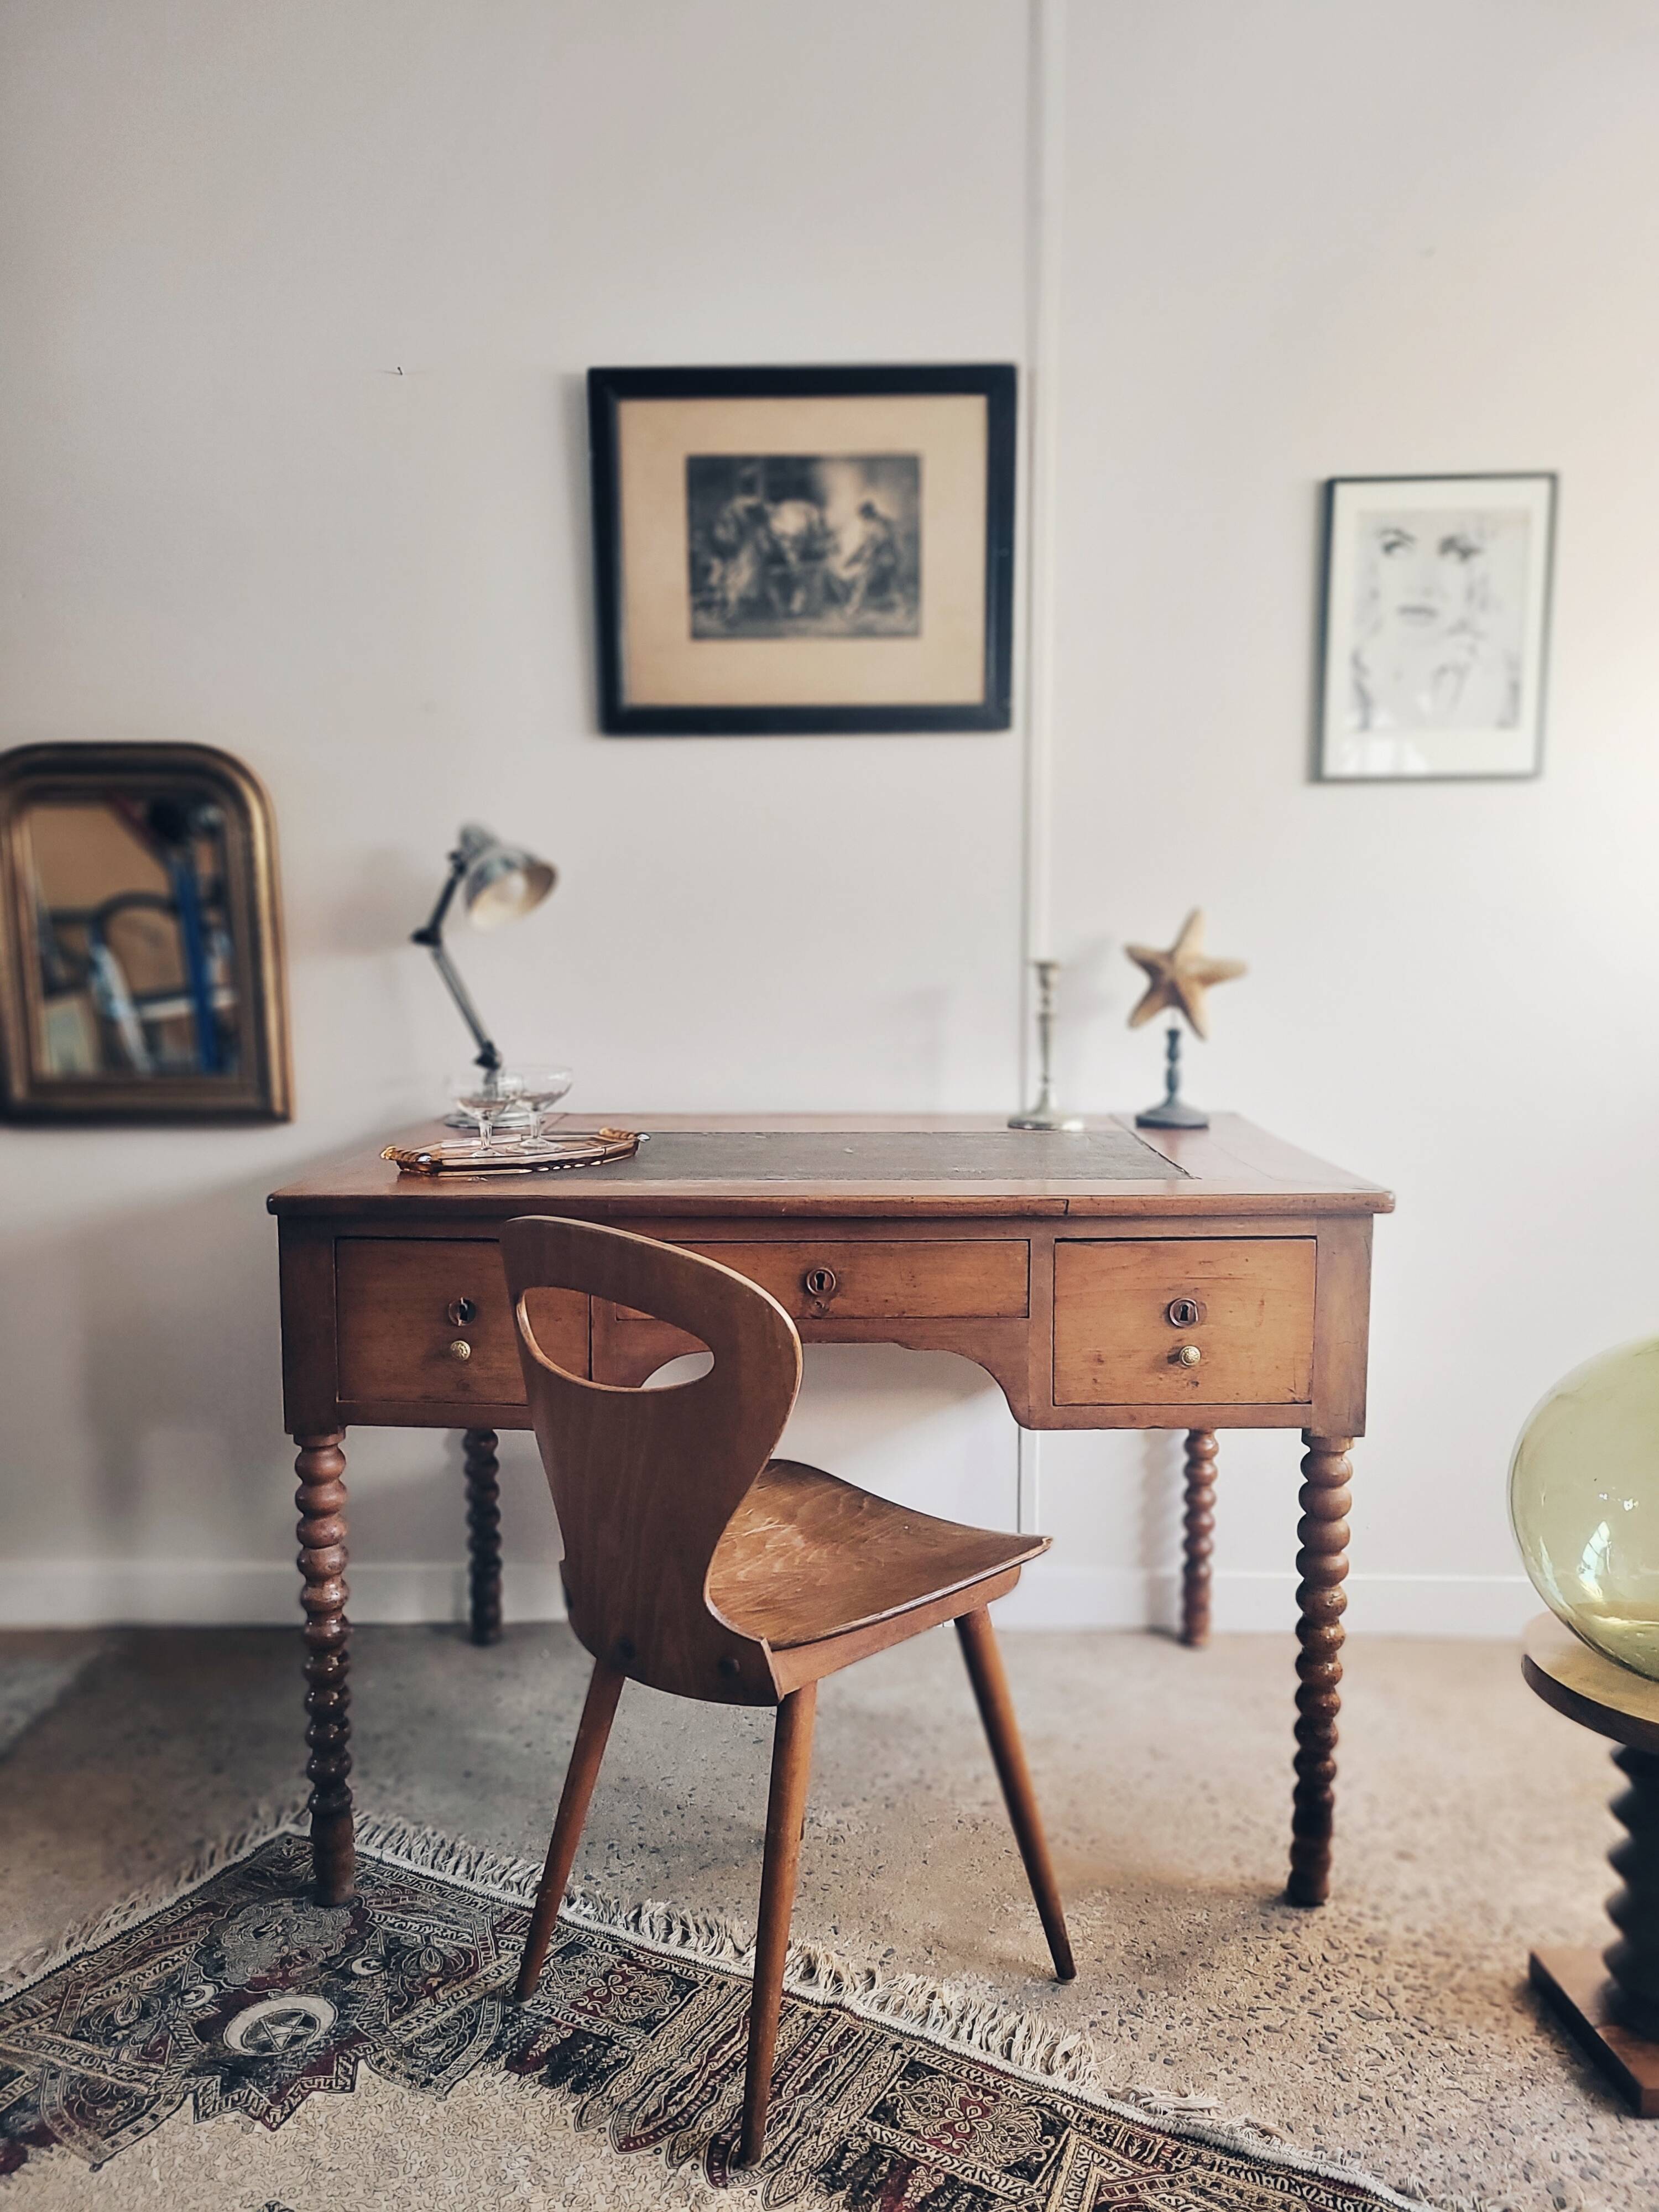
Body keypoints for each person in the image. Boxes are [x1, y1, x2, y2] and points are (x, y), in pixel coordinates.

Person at [1349, 513, 1523, 731]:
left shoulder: (1513, 694)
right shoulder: (1337, 679)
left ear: (1480, 575)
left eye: (1456, 555)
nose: (1422, 584)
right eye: (1397, 549)